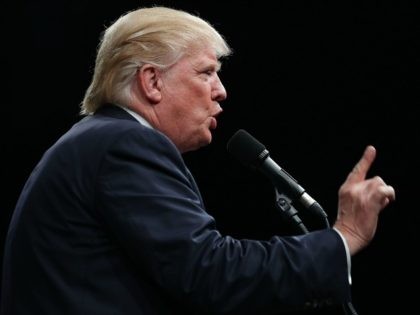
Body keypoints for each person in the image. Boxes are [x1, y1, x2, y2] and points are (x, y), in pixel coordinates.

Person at [0, 6, 395, 315]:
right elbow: (213, 275)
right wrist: (344, 238)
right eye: (207, 72)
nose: (221, 91)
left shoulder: (99, 141)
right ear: (152, 81)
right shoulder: (125, 145)